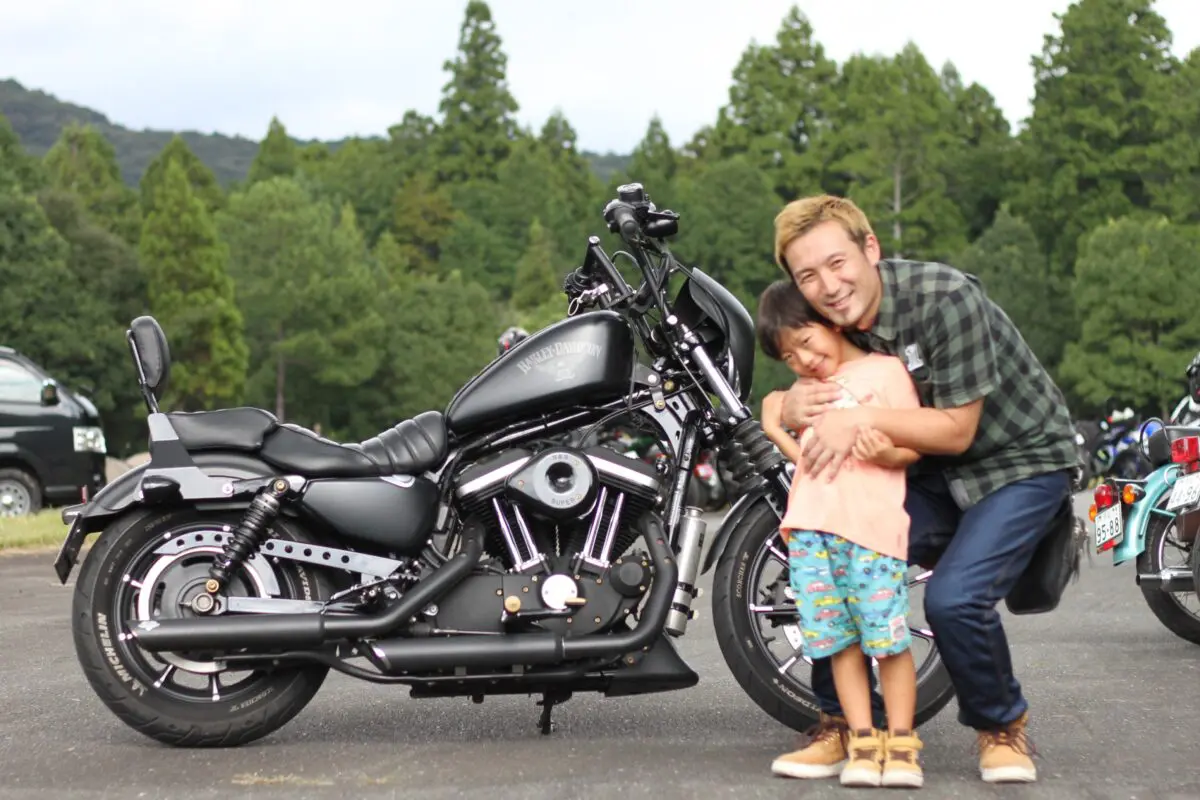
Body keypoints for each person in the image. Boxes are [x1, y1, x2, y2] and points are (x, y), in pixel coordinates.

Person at [771, 194, 1078, 785]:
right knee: (838, 552)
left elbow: (958, 430)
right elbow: (802, 374)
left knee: (954, 598)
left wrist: (860, 420)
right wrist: (783, 404)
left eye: (838, 262)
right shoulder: (827, 316)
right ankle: (846, 724)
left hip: (1019, 461)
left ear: (870, 249)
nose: (828, 286)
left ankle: (1001, 726)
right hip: (926, 468)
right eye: (807, 275)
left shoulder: (945, 299)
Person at [756, 281, 925, 788]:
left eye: (806, 341)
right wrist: (776, 429)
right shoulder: (806, 393)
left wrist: (887, 453)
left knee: (887, 641)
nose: (804, 360)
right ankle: (863, 741)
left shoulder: (885, 372)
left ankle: (902, 744)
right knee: (838, 644)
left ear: (829, 321)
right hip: (811, 533)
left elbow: (912, 446)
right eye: (790, 356)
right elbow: (810, 463)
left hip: (870, 533)